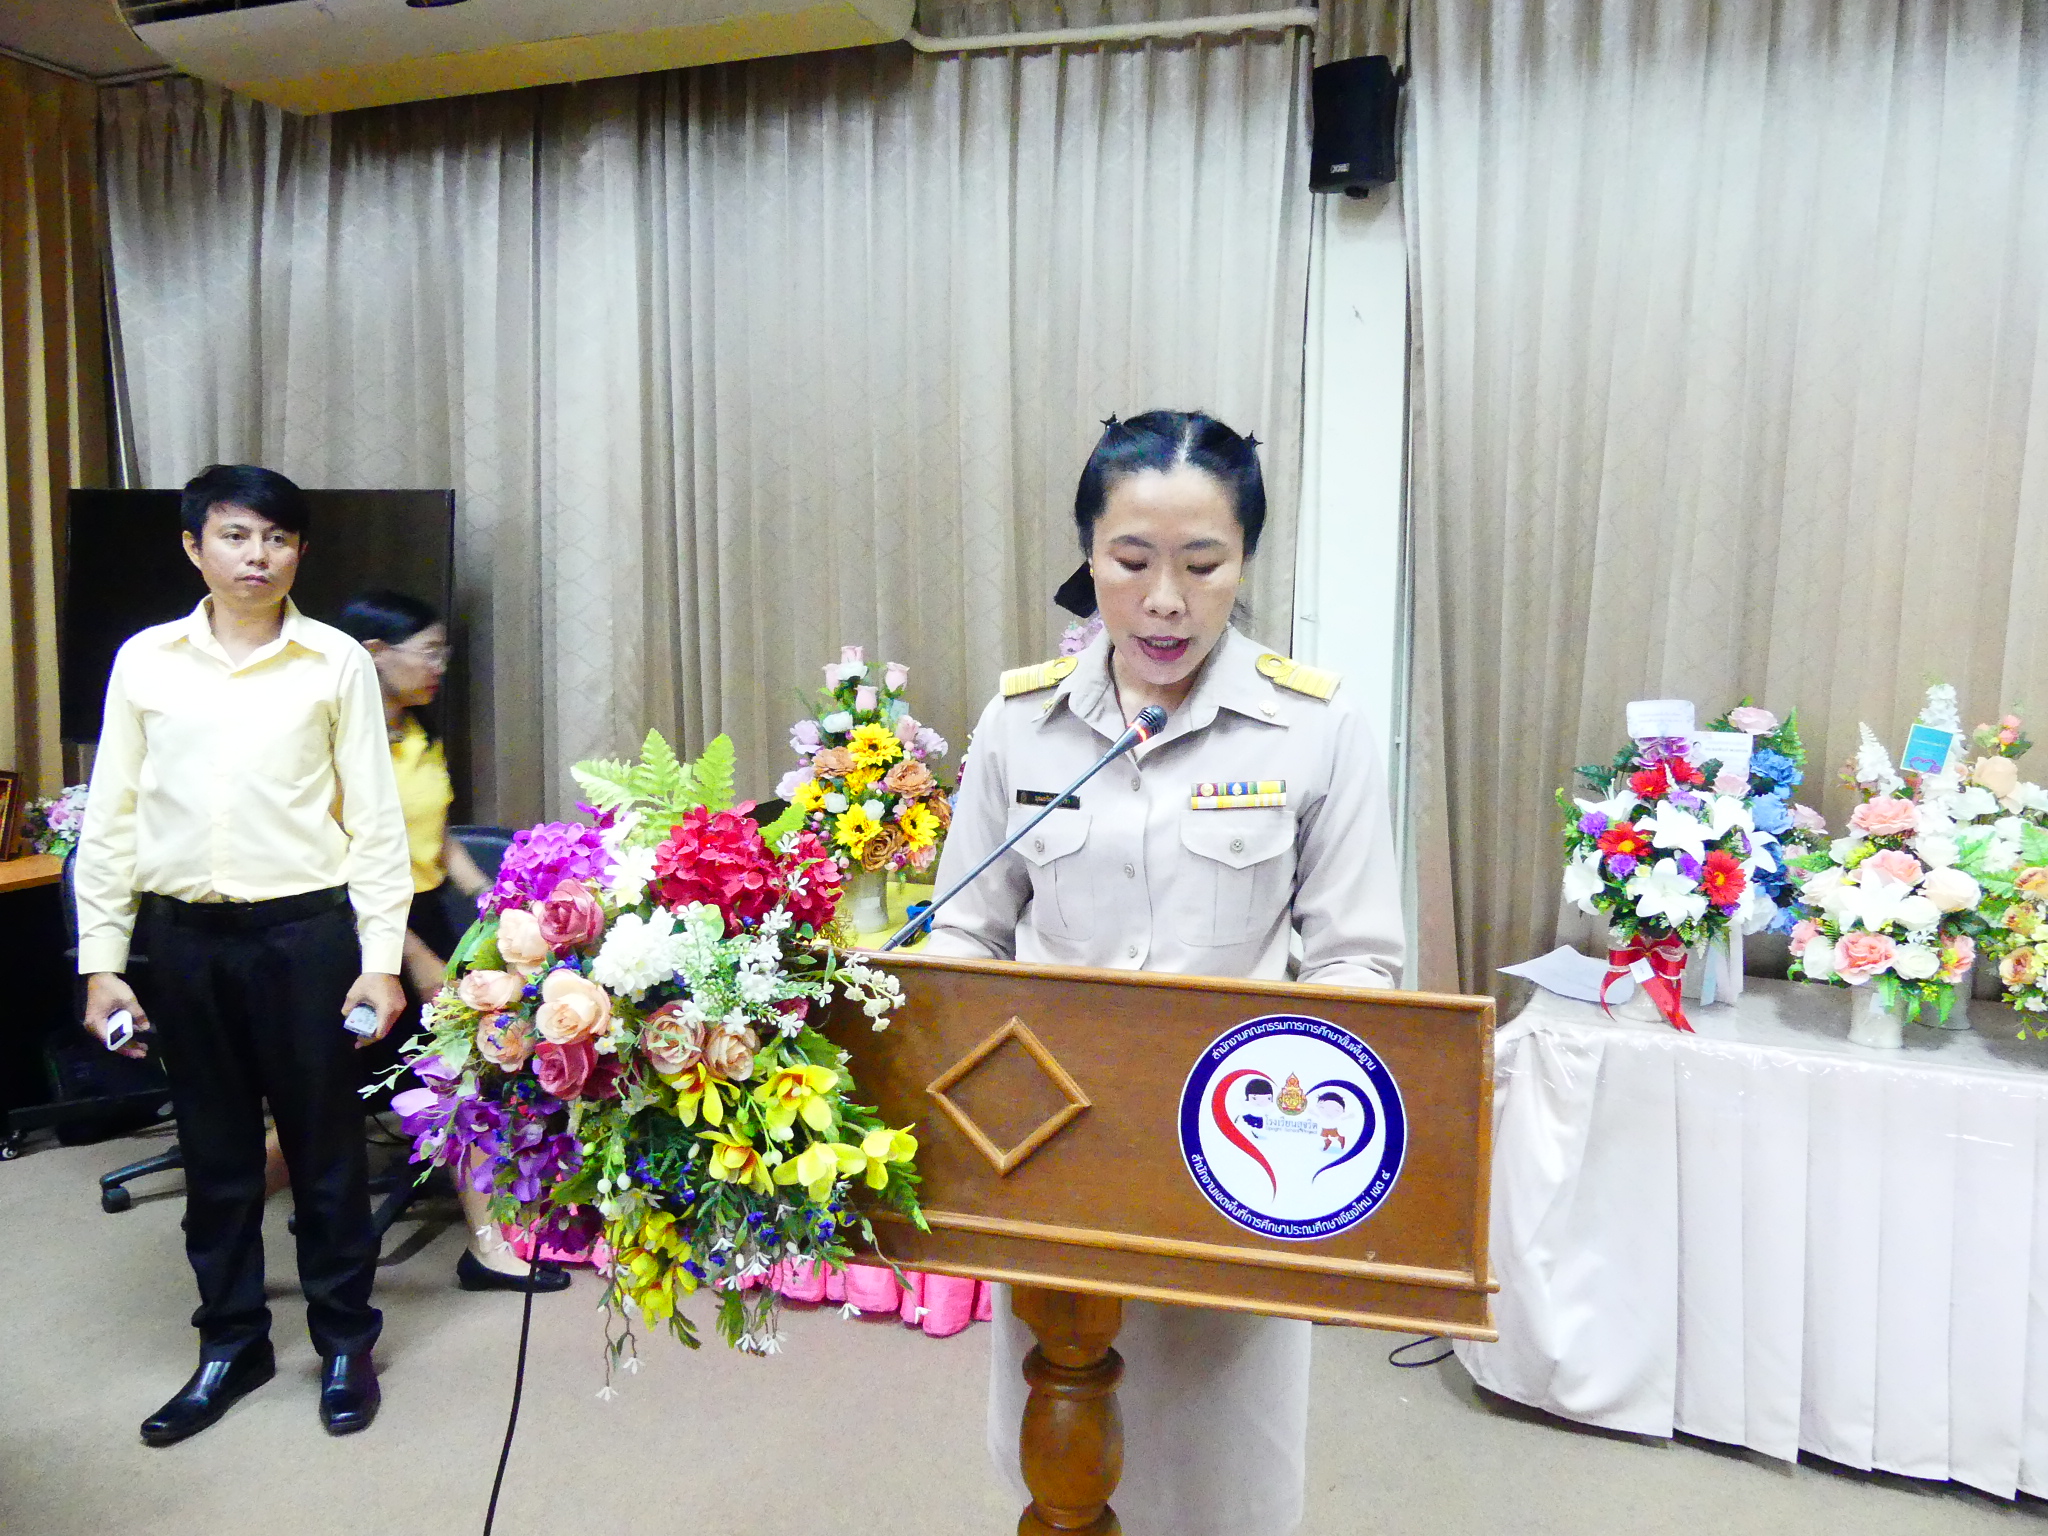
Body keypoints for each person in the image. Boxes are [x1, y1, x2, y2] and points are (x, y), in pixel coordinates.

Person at [918, 410, 1404, 1536]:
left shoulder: (1313, 726)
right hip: (1048, 1146)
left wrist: (1308, 1144)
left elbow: (1357, 960)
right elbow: (964, 936)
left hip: (1239, 1153)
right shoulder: (1022, 721)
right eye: (1131, 562)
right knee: (1056, 1443)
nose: (1165, 602)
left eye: (1203, 564)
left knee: (1218, 1466)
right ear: (1089, 556)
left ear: (1246, 563)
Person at [75, 465, 414, 1446]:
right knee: (216, 1155)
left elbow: (375, 820)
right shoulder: (146, 661)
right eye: (234, 535)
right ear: (195, 547)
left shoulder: (335, 661)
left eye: (276, 538)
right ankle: (230, 1342)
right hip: (184, 941)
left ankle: (344, 1340)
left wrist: (380, 957)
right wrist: (103, 963)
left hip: (306, 938)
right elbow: (112, 818)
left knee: (325, 1151)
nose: (256, 556)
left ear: (299, 551)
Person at [291, 589, 569, 1293]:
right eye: (430, 652)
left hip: (426, 915)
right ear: (374, 653)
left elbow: (437, 837)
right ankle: (230, 1202)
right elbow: (339, 863)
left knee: (455, 1074)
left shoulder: (416, 732)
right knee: (341, 1096)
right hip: (360, 928)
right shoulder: (331, 740)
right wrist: (412, 958)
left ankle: (488, 1245)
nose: (440, 666)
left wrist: (493, 897)